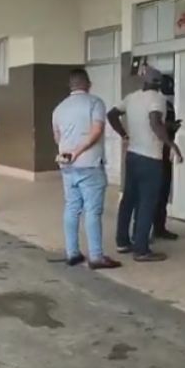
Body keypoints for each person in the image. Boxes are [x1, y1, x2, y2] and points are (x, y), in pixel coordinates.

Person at [107, 65, 183, 262]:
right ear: (159, 83)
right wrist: (171, 143)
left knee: (129, 200)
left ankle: (122, 242)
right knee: (147, 203)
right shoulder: (158, 99)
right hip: (151, 158)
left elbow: (112, 114)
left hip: (133, 155)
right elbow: (154, 122)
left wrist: (124, 135)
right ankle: (141, 249)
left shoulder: (132, 97)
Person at [52, 69, 121, 270]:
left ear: (70, 86)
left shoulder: (58, 109)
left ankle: (72, 253)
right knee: (92, 210)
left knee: (72, 207)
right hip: (90, 164)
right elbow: (97, 130)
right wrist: (78, 150)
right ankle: (96, 257)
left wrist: (69, 152)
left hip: (66, 165)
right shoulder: (95, 103)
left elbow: (57, 138)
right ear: (88, 84)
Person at [153, 74, 182, 240]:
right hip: (157, 152)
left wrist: (173, 128)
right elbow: (157, 127)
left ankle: (159, 227)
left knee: (162, 191)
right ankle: (153, 228)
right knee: (157, 192)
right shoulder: (159, 104)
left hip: (163, 152)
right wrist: (171, 127)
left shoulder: (166, 104)